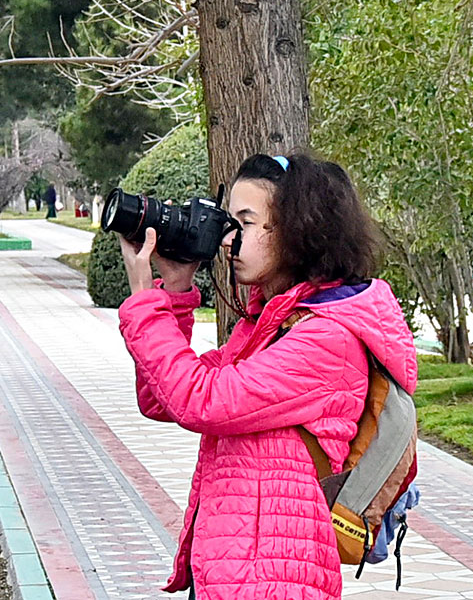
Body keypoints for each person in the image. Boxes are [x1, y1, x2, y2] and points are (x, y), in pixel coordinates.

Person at [116, 153, 417, 600]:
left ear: (301, 229)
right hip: (235, 566)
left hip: (273, 577)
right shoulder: (271, 326)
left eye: (245, 222)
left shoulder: (327, 338)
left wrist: (144, 303)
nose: (226, 240)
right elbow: (162, 398)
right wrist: (175, 290)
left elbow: (202, 402)